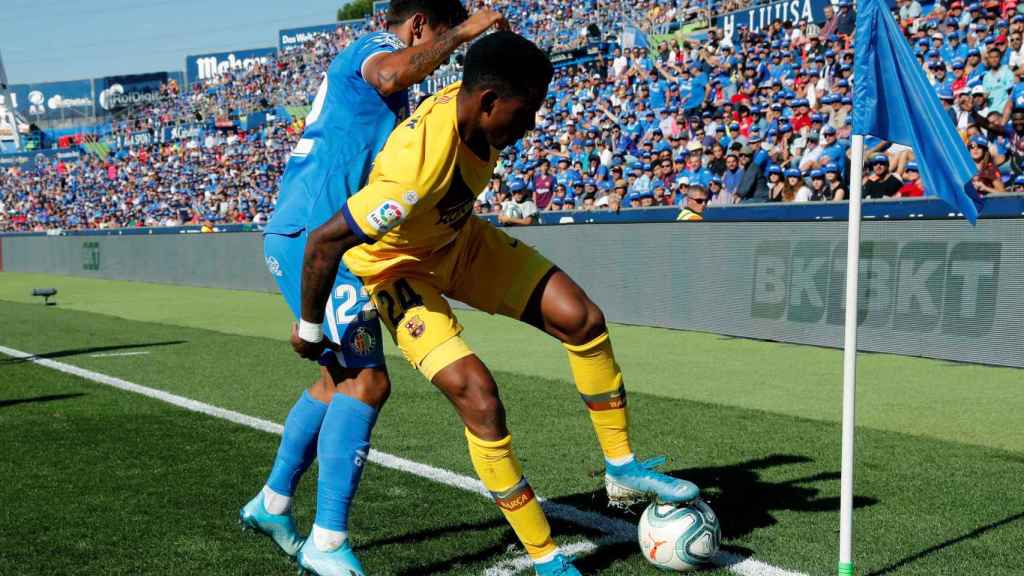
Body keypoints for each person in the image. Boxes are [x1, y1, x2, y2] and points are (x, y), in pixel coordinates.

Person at [293, 32, 699, 576]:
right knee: (479, 398)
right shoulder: (413, 172)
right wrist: (310, 327)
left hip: (458, 242)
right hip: (397, 270)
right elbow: (323, 242)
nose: (530, 126)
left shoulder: (476, 112)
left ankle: (621, 467)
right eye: (525, 112)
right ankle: (546, 557)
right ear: (487, 102)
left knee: (581, 318)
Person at [244, 3, 508, 575]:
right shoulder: (368, 52)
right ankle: (328, 541)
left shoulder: (376, 85)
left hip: (311, 231)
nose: (441, 49)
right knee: (367, 382)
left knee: (335, 378)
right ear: (417, 26)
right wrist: (466, 33)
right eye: (438, 35)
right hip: (320, 236)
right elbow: (393, 72)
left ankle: (273, 503)